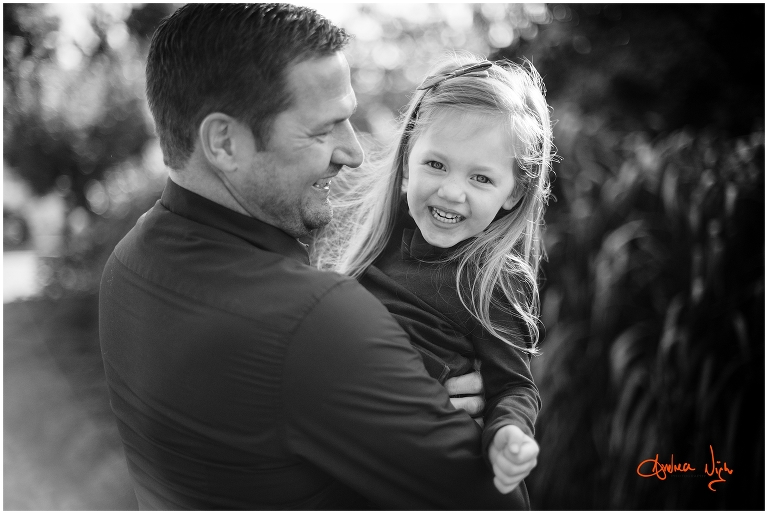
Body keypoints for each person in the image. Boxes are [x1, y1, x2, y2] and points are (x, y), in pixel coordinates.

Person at [99, 3, 531, 510]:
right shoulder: (314, 323)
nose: (353, 152)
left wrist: (409, 409)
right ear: (224, 142)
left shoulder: (129, 264)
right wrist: (426, 414)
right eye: (324, 128)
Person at [312, 55, 554, 495]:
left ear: (513, 192)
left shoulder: (488, 280)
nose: (451, 191)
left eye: (481, 177)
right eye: (436, 165)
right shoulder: (376, 252)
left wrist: (507, 436)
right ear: (407, 164)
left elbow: (513, 387)